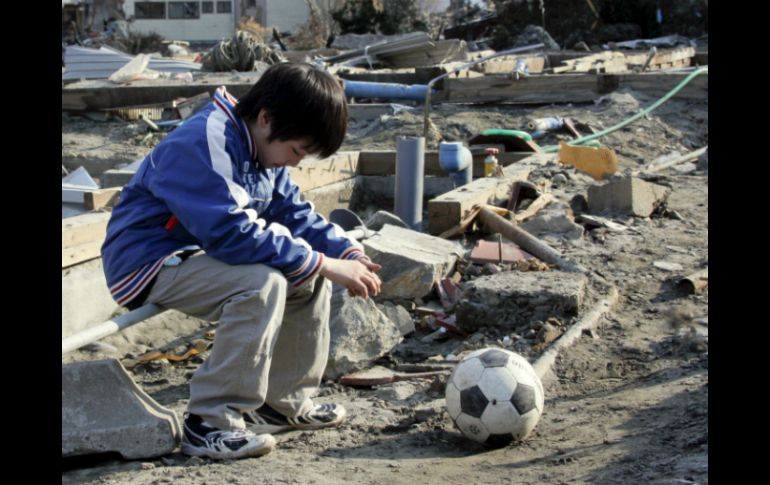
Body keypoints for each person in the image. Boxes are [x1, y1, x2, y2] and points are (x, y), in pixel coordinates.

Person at [101, 62, 382, 460]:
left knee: (305, 277)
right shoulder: (205, 140)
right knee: (262, 282)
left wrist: (345, 252)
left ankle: (280, 405)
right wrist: (322, 262)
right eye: (297, 150)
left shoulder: (260, 148)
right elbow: (230, 232)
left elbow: (294, 213)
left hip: (197, 254)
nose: (296, 162)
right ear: (266, 118)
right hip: (146, 261)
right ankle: (208, 423)